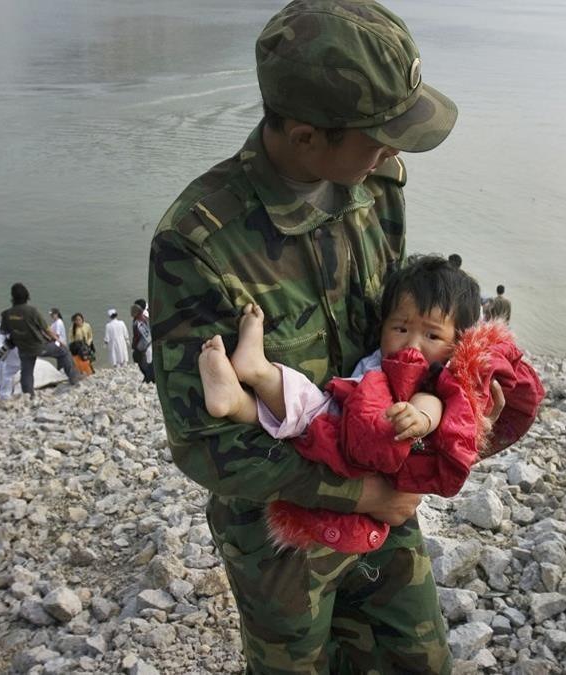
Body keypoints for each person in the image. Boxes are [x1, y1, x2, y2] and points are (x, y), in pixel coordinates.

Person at [148, 2, 463, 670]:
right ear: (304, 136)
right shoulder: (199, 242)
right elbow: (204, 446)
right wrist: (358, 494)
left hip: (384, 497)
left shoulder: (378, 185)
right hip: (281, 534)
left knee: (419, 659)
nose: (395, 150)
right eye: (379, 135)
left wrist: (443, 398)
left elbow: (395, 341)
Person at [199, 255, 541, 553]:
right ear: (383, 325)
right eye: (401, 327)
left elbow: (436, 401)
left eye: (432, 335)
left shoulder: (439, 374)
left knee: (303, 416)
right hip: (345, 418)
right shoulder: (387, 360)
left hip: (364, 439)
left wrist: (420, 419)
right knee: (304, 411)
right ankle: (247, 383)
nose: (413, 343)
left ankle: (247, 388)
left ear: (457, 343)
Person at [0, 283, 79, 395]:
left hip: (23, 349)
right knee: (64, 351)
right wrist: (58, 341)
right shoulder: (32, 311)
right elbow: (46, 329)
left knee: (27, 372)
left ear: (13, 297)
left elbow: (3, 331)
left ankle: (28, 395)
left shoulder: (6, 314)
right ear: (27, 296)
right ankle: (74, 378)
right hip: (39, 346)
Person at [131, 304, 155, 383]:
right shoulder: (145, 319)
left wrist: (134, 345)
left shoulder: (137, 323)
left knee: (141, 361)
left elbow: (137, 336)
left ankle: (148, 377)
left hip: (143, 345)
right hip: (149, 342)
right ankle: (151, 377)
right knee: (148, 361)